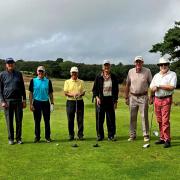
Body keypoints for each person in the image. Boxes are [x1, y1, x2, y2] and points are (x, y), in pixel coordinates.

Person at [150, 57, 177, 148]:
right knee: (159, 120)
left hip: (166, 99)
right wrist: (154, 89)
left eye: (165, 64)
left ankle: (167, 140)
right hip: (157, 99)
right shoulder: (156, 75)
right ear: (159, 66)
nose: (163, 66)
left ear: (168, 65)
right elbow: (152, 87)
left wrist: (159, 86)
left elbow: (172, 87)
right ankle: (162, 138)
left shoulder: (172, 74)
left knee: (165, 120)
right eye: (161, 65)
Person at [125, 56, 152, 142]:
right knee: (132, 117)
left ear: (142, 63)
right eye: (137, 62)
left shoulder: (147, 71)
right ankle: (132, 135)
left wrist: (151, 96)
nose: (138, 63)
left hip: (143, 97)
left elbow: (151, 85)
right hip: (132, 97)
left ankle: (146, 135)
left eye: (140, 62)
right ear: (134, 63)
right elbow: (127, 85)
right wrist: (126, 97)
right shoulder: (130, 71)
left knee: (144, 116)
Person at [0, 58, 26, 145]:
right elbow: (0, 90)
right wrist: (2, 101)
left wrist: (24, 100)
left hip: (18, 100)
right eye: (8, 63)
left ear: (14, 64)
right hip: (7, 101)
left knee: (19, 120)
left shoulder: (19, 74)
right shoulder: (2, 74)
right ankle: (11, 138)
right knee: (9, 121)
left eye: (11, 63)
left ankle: (18, 138)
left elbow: (22, 88)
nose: (10, 64)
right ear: (6, 65)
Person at [92, 60, 119, 141]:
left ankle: (111, 135)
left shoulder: (113, 76)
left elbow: (116, 90)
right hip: (100, 99)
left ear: (110, 67)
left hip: (110, 99)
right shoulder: (98, 76)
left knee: (111, 119)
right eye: (105, 66)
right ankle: (100, 135)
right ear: (102, 67)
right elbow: (94, 89)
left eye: (108, 65)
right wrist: (97, 97)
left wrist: (115, 101)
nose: (106, 67)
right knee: (100, 119)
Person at [29, 66, 54, 143]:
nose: (40, 72)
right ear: (37, 72)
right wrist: (31, 104)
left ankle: (47, 137)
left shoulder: (48, 81)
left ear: (44, 72)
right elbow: (30, 93)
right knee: (37, 121)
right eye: (39, 71)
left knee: (47, 120)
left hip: (46, 102)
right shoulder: (33, 81)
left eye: (42, 71)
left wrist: (52, 103)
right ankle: (37, 137)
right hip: (36, 102)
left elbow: (50, 93)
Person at [64, 67, 85, 140]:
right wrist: (73, 95)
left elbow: (83, 92)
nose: (74, 74)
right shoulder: (67, 82)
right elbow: (65, 92)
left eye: (75, 72)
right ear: (70, 73)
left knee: (80, 119)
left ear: (77, 73)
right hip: (70, 102)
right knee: (70, 119)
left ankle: (80, 135)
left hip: (79, 101)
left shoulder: (81, 82)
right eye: (73, 72)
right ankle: (71, 135)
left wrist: (80, 94)